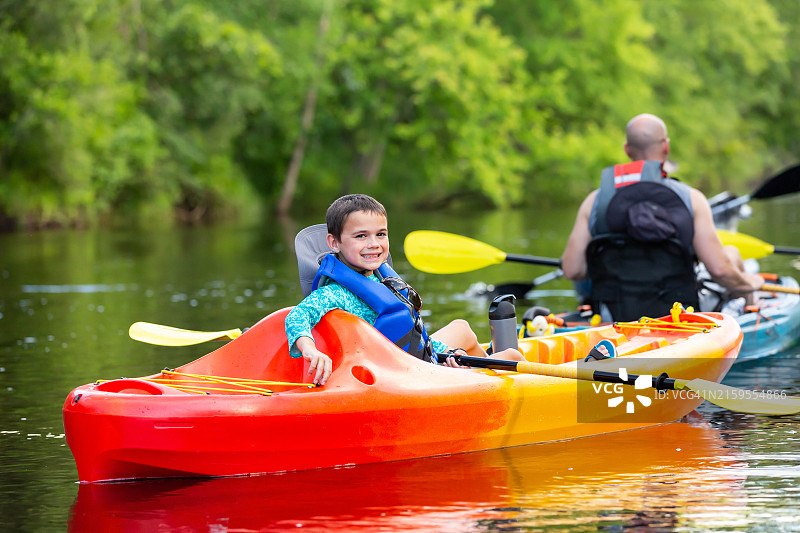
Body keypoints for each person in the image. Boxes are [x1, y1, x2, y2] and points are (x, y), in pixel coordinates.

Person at [286, 194, 525, 385]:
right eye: (361, 236)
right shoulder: (335, 293)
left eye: (381, 234)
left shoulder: (379, 279)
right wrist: (311, 350)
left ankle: (480, 373)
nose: (374, 244)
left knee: (461, 328)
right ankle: (486, 374)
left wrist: (454, 355)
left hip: (421, 357)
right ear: (334, 243)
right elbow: (296, 316)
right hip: (408, 375)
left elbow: (414, 335)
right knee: (512, 357)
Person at [560, 113, 763, 321]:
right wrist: (749, 283)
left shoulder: (593, 202)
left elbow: (572, 270)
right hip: (679, 319)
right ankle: (752, 308)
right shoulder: (692, 199)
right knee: (730, 254)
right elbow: (720, 271)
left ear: (627, 150)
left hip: (614, 319)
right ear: (666, 147)